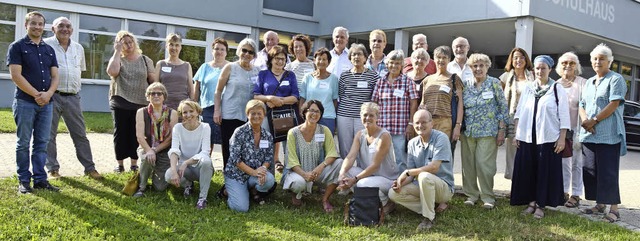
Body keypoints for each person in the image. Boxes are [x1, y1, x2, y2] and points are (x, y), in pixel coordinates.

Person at [511, 55, 569, 219]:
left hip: (548, 138)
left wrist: (562, 138)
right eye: (537, 68)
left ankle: (541, 205)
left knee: (544, 172)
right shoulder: (529, 88)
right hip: (528, 137)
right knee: (529, 171)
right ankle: (531, 201)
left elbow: (564, 116)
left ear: (550, 69)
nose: (539, 71)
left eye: (543, 68)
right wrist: (517, 134)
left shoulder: (557, 89)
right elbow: (519, 112)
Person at [8, 11, 60, 193]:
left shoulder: (49, 49)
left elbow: (55, 76)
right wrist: (38, 95)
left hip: (47, 104)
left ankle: (40, 179)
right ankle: (24, 180)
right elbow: (16, 75)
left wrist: (48, 94)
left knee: (42, 142)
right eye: (34, 23)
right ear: (26, 25)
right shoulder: (17, 47)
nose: (37, 27)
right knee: (23, 142)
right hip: (25, 103)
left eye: (40, 24)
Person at [43, 17, 101, 179]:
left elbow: (79, 71)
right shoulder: (46, 45)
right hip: (52, 96)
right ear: (53, 29)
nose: (65, 29)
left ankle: (90, 168)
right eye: (60, 26)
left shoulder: (78, 48)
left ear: (72, 30)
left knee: (80, 134)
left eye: (68, 26)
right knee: (49, 135)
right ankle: (53, 169)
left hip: (73, 98)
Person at [579, 43, 627, 223]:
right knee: (591, 170)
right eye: (595, 59)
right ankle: (600, 204)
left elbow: (614, 104)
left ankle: (614, 209)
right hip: (589, 133)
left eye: (602, 59)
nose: (598, 62)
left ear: (610, 62)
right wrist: (585, 121)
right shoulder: (589, 82)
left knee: (608, 172)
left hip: (609, 135)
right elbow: (582, 104)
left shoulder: (616, 79)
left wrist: (595, 120)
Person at [389, 109, 454, 231]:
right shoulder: (412, 143)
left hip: (443, 188)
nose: (420, 126)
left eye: (424, 122)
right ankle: (429, 207)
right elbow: (411, 174)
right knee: (393, 193)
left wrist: (408, 172)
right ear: (413, 125)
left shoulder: (441, 138)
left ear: (432, 123)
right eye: (417, 123)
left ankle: (428, 218)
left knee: (424, 176)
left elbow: (434, 167)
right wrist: (400, 182)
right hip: (423, 185)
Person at [460, 53, 508, 209]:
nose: (478, 68)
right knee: (468, 165)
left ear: (487, 67)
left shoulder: (494, 83)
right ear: (470, 68)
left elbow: (503, 107)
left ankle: (488, 196)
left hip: (488, 131)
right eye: (474, 66)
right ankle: (471, 195)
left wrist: (501, 130)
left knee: (484, 165)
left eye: (481, 65)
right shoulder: (465, 84)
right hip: (468, 132)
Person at [107, 30, 157, 173]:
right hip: (120, 100)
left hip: (141, 102)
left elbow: (153, 81)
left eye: (130, 42)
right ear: (119, 45)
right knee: (121, 133)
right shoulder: (118, 58)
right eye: (124, 43)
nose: (128, 45)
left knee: (137, 133)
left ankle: (134, 163)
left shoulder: (145, 60)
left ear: (135, 42)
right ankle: (120, 164)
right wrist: (117, 52)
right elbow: (112, 72)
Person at [337, 102, 399, 214]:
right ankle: (369, 200)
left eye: (371, 115)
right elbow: (350, 157)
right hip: (368, 175)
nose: (368, 118)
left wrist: (354, 179)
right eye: (365, 115)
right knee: (345, 169)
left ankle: (387, 203)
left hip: (386, 179)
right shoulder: (360, 134)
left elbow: (375, 165)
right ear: (360, 117)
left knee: (362, 184)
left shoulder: (384, 136)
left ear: (377, 117)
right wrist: (342, 175)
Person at [283, 100, 343, 212]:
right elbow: (291, 160)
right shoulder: (293, 133)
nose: (314, 114)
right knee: (298, 184)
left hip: (316, 173)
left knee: (340, 163)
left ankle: (325, 199)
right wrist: (304, 174)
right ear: (305, 112)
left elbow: (332, 153)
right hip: (298, 173)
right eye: (311, 111)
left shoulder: (324, 130)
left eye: (318, 112)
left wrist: (320, 167)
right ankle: (296, 194)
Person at [213, 38, 260, 168]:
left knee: (245, 150)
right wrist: (217, 110)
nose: (247, 54)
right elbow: (218, 91)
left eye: (250, 52)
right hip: (230, 115)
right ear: (239, 51)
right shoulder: (230, 67)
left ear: (254, 55)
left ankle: (243, 179)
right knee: (229, 148)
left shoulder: (257, 71)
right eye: (244, 50)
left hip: (249, 117)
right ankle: (228, 180)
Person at [253, 45, 300, 173]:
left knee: (289, 146)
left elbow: (296, 96)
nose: (280, 61)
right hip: (268, 116)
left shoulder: (290, 75)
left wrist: (280, 101)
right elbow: (256, 95)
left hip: (286, 116)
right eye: (277, 58)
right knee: (267, 145)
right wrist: (269, 98)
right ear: (271, 59)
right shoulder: (263, 74)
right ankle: (268, 175)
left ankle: (288, 176)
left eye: (283, 59)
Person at [223, 100, 276, 212]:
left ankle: (248, 190)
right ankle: (227, 191)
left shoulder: (267, 136)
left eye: (259, 113)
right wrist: (253, 172)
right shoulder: (239, 132)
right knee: (241, 208)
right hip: (236, 175)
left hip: (254, 174)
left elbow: (268, 158)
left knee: (269, 180)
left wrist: (262, 169)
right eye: (253, 113)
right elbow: (235, 159)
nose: (256, 116)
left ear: (264, 115)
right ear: (247, 115)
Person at [371, 50, 419, 172]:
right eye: (392, 62)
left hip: (401, 128)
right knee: (381, 156)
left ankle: (400, 184)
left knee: (400, 158)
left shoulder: (408, 82)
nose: (394, 66)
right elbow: (374, 104)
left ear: (402, 65)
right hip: (383, 127)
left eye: (398, 63)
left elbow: (414, 104)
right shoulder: (380, 82)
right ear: (387, 64)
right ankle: (383, 181)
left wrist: (411, 124)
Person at [133, 82, 179, 197]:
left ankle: (153, 172)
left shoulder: (172, 113)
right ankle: (141, 187)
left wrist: (155, 150)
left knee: (160, 188)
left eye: (159, 93)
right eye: (152, 93)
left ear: (164, 96)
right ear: (148, 97)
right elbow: (139, 136)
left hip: (164, 150)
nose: (156, 96)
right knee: (146, 158)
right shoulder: (141, 112)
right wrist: (149, 150)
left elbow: (171, 138)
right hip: (147, 147)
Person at [166, 100, 214, 209]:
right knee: (168, 176)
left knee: (206, 161)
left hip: (200, 166)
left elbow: (205, 152)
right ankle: (188, 185)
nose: (188, 115)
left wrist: (186, 162)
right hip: (185, 170)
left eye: (191, 111)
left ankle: (202, 198)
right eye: (184, 112)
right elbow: (174, 150)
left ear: (197, 112)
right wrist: (174, 171)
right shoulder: (177, 128)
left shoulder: (205, 127)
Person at [555, 52, 587, 208]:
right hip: (560, 130)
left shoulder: (582, 83)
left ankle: (576, 194)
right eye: (564, 63)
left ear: (577, 66)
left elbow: (586, 106)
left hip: (577, 129)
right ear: (559, 66)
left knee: (577, 163)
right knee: (563, 163)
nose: (568, 65)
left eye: (572, 63)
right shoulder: (555, 84)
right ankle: (563, 192)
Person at [337, 43, 379, 158]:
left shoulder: (373, 76)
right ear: (350, 58)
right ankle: (344, 172)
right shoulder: (344, 76)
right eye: (353, 54)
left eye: (359, 54)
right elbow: (341, 94)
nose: (356, 57)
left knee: (363, 146)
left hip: (364, 117)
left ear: (365, 57)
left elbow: (374, 98)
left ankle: (361, 174)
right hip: (344, 115)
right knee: (345, 146)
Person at [499, 47, 534, 180]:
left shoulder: (532, 76)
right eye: (515, 58)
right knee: (512, 149)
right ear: (511, 61)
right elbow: (500, 99)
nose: (518, 60)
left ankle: (526, 180)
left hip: (529, 116)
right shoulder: (505, 77)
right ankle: (513, 180)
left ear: (526, 59)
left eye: (521, 57)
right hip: (512, 117)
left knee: (527, 148)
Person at [420, 46, 464, 142]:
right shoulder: (427, 80)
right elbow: (422, 102)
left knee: (442, 154)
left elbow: (460, 104)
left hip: (444, 123)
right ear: (434, 59)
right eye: (438, 57)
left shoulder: (454, 79)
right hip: (427, 123)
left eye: (444, 57)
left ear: (449, 60)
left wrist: (458, 125)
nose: (441, 60)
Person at [193, 37, 229, 154]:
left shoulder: (231, 67)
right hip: (207, 109)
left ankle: (226, 169)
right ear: (212, 51)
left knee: (226, 140)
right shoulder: (204, 67)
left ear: (226, 52)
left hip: (226, 108)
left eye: (222, 49)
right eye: (216, 49)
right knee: (207, 141)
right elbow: (197, 87)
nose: (219, 51)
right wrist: (194, 106)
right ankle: (206, 166)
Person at [299, 48, 339, 133]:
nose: (321, 62)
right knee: (310, 143)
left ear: (329, 62)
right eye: (319, 59)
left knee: (326, 144)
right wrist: (302, 114)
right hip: (310, 115)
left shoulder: (334, 79)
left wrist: (335, 119)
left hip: (327, 117)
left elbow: (335, 100)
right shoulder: (307, 77)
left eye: (324, 59)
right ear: (314, 60)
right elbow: (302, 98)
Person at [156, 33, 193, 111]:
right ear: (166, 46)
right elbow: (155, 87)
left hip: (183, 108)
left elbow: (191, 89)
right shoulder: (160, 64)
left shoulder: (187, 65)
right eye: (171, 45)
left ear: (180, 47)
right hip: (164, 107)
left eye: (177, 45)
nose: (174, 48)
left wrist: (192, 106)